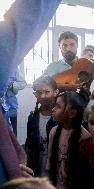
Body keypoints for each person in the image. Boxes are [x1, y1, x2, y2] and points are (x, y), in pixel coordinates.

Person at [0, 0, 60, 184]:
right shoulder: (34, 117)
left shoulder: (59, 122)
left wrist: (12, 161)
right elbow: (29, 15)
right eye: (38, 92)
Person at [47, 89, 91, 189]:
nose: (53, 109)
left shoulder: (85, 137)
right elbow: (50, 160)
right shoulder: (54, 132)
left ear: (71, 113)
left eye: (58, 106)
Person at [24, 76, 59, 177]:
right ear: (35, 95)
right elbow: (29, 144)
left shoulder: (61, 118)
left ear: (56, 92)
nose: (43, 96)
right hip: (37, 165)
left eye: (47, 92)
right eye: (39, 92)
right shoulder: (33, 117)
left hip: (56, 168)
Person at [5, 67, 27, 136]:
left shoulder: (13, 67)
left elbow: (23, 83)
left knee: (13, 132)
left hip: (11, 105)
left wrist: (12, 86)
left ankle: (14, 146)